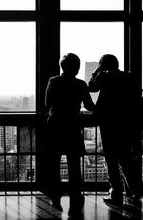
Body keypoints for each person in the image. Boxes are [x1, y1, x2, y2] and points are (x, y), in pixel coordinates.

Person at [88, 54, 142, 206]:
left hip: (108, 122)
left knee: (111, 158)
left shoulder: (104, 77)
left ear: (103, 65)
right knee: (125, 157)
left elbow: (91, 87)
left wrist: (97, 71)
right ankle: (133, 190)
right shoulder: (129, 77)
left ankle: (116, 192)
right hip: (126, 123)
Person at [44, 53, 95, 212]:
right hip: (72, 126)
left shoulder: (53, 81)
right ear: (76, 68)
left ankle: (55, 194)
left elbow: (47, 103)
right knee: (74, 164)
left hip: (55, 126)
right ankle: (76, 193)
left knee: (54, 163)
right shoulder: (80, 84)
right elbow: (89, 105)